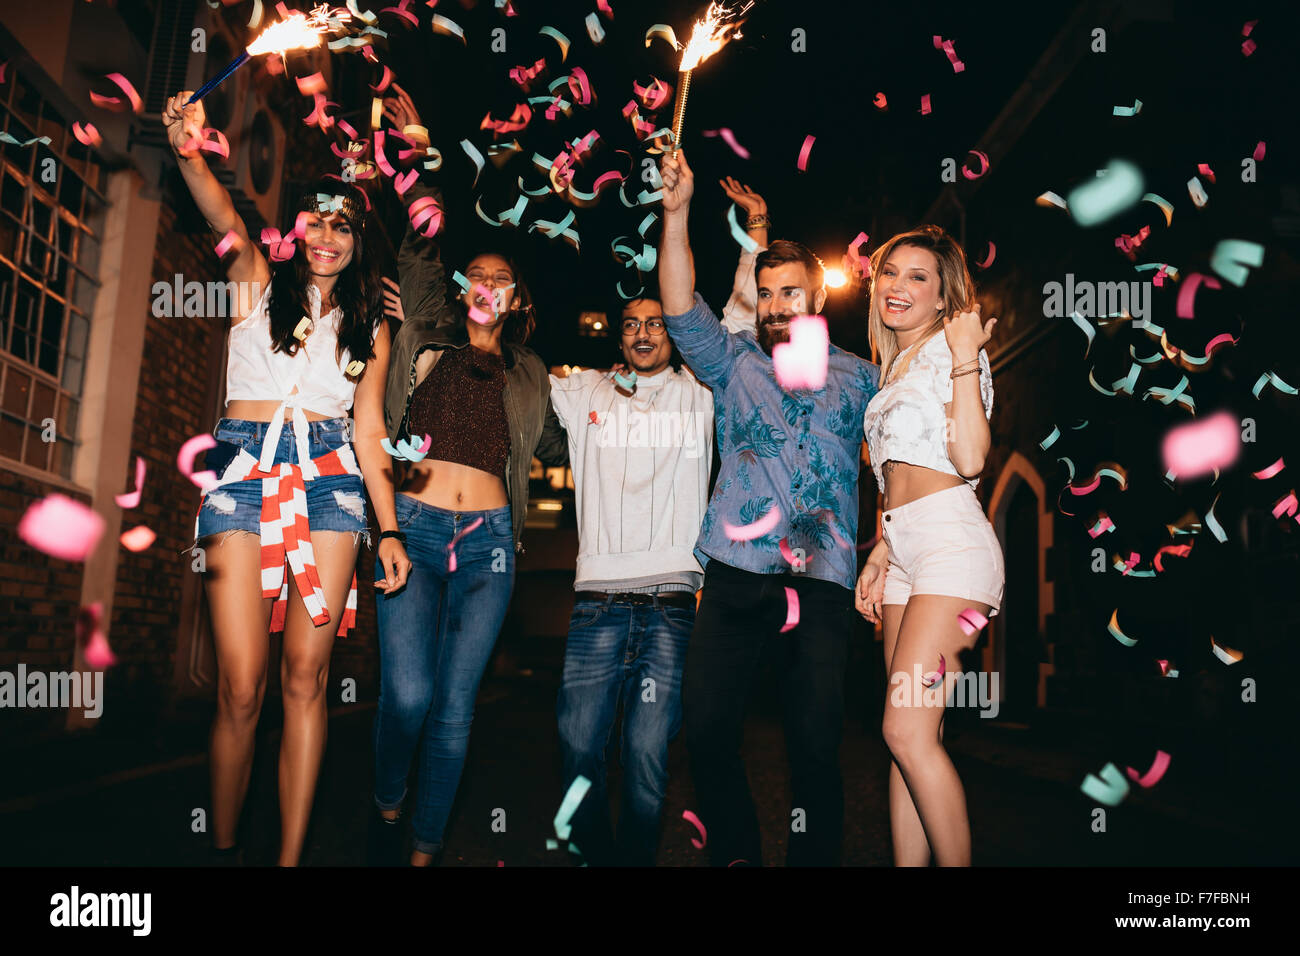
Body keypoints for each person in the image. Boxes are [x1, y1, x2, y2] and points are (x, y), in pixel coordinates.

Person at [164, 91, 410, 867]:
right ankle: (226, 847)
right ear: (298, 228)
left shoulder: (374, 320)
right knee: (242, 688)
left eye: (344, 222)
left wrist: (391, 527)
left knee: (307, 678)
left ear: (357, 236)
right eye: (318, 219)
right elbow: (219, 213)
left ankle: (289, 861)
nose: (328, 234)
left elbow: (369, 427)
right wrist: (183, 149)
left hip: (333, 482)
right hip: (241, 470)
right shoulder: (254, 281)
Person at [657, 148, 880, 866]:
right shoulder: (732, 361)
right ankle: (739, 854)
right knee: (709, 732)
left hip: (819, 582)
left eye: (792, 291)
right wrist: (677, 210)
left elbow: (904, 466)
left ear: (815, 299)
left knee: (816, 746)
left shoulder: (864, 379)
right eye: (769, 292)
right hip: (734, 574)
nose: (780, 304)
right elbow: (676, 302)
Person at [371, 85, 568, 866]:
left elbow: (555, 444)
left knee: (454, 709)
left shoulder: (532, 374)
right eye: (474, 274)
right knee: (409, 696)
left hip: (489, 546)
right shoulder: (426, 328)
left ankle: (425, 843)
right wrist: (414, 156)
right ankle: (389, 789)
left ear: (516, 300)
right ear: (463, 289)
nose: (485, 284)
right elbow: (419, 244)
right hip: (413, 531)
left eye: (501, 279)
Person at [550, 179, 768, 866]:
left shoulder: (702, 393)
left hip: (674, 602)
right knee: (579, 751)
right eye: (631, 324)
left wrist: (754, 233)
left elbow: (738, 316)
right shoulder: (581, 388)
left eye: (656, 322)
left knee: (647, 756)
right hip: (595, 605)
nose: (645, 333)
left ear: (672, 331)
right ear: (617, 335)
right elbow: (500, 360)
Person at [855, 225, 1003, 867]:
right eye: (890, 272)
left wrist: (968, 352)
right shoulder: (892, 367)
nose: (898, 286)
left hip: (952, 546)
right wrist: (881, 549)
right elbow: (897, 477)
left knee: (905, 728)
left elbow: (969, 457)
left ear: (945, 298)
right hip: (904, 552)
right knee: (912, 739)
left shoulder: (953, 348)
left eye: (918, 277)